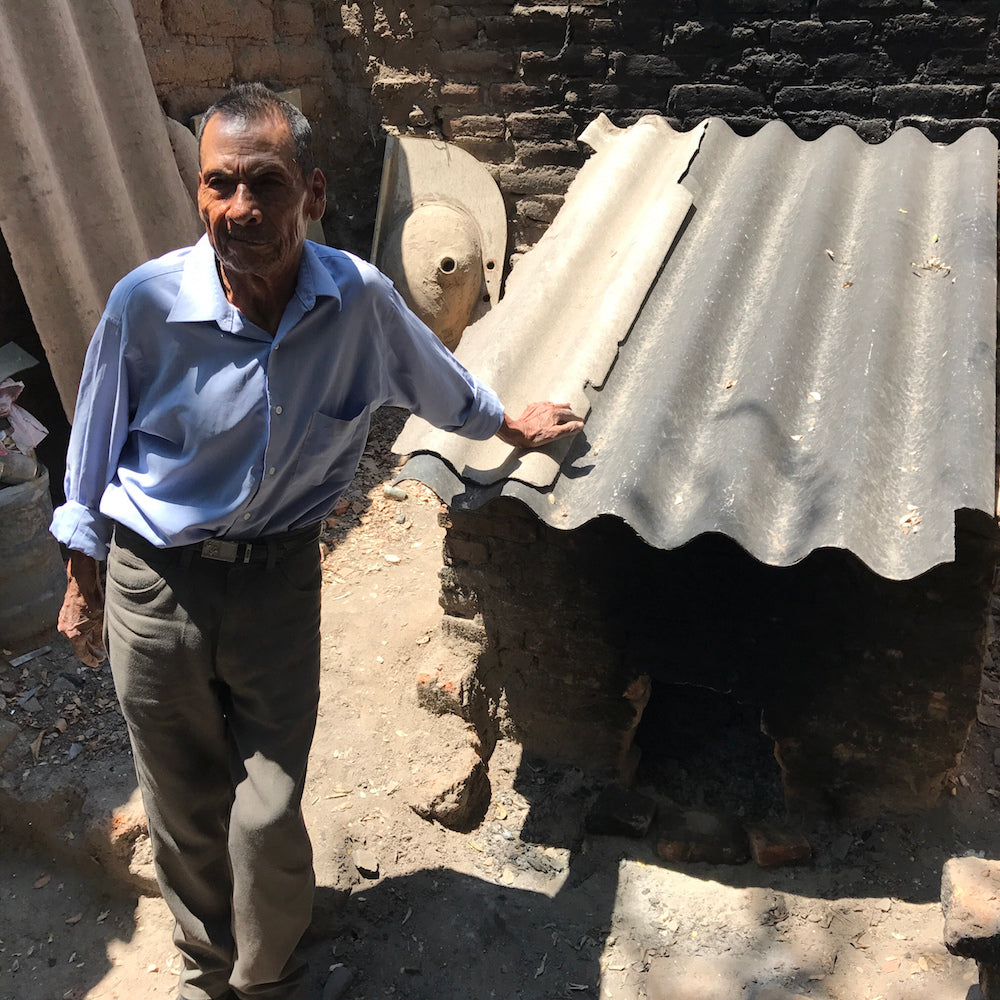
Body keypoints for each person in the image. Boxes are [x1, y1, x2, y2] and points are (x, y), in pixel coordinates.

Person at [50, 83, 582, 1000]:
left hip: (277, 582)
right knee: (180, 800)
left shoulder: (358, 301)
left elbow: (438, 384)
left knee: (266, 801)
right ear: (200, 196)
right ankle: (203, 975)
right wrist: (82, 578)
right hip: (154, 582)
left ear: (314, 193)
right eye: (220, 186)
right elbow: (92, 450)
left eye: (266, 184)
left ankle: (265, 978)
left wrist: (511, 427)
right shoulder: (145, 306)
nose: (241, 209)